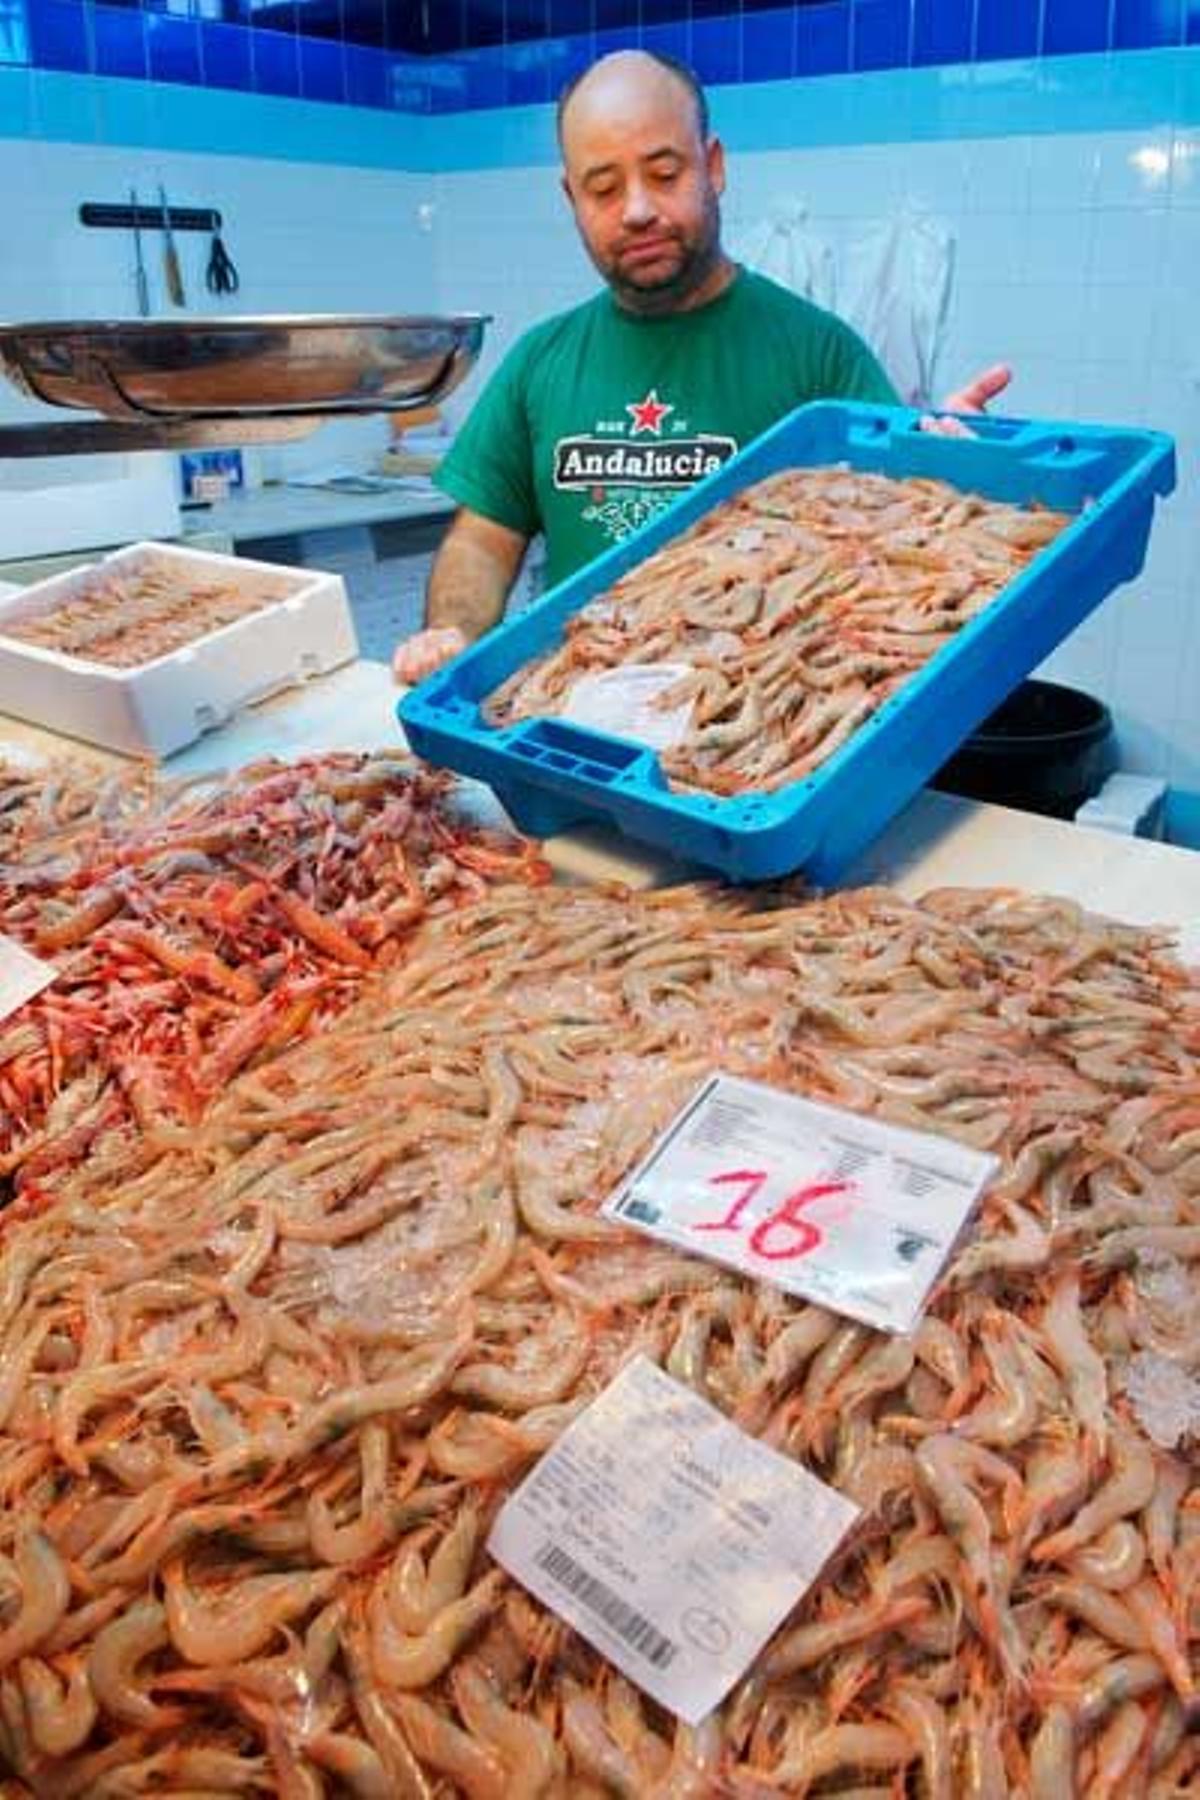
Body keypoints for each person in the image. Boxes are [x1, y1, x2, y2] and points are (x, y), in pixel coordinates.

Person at [393, 49, 1010, 684]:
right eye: (603, 188)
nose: (637, 209)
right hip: (570, 710)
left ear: (713, 167)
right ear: (571, 197)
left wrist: (959, 477)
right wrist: (452, 631)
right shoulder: (540, 360)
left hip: (757, 715)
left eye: (664, 174)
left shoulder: (819, 354)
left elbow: (899, 545)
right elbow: (482, 540)